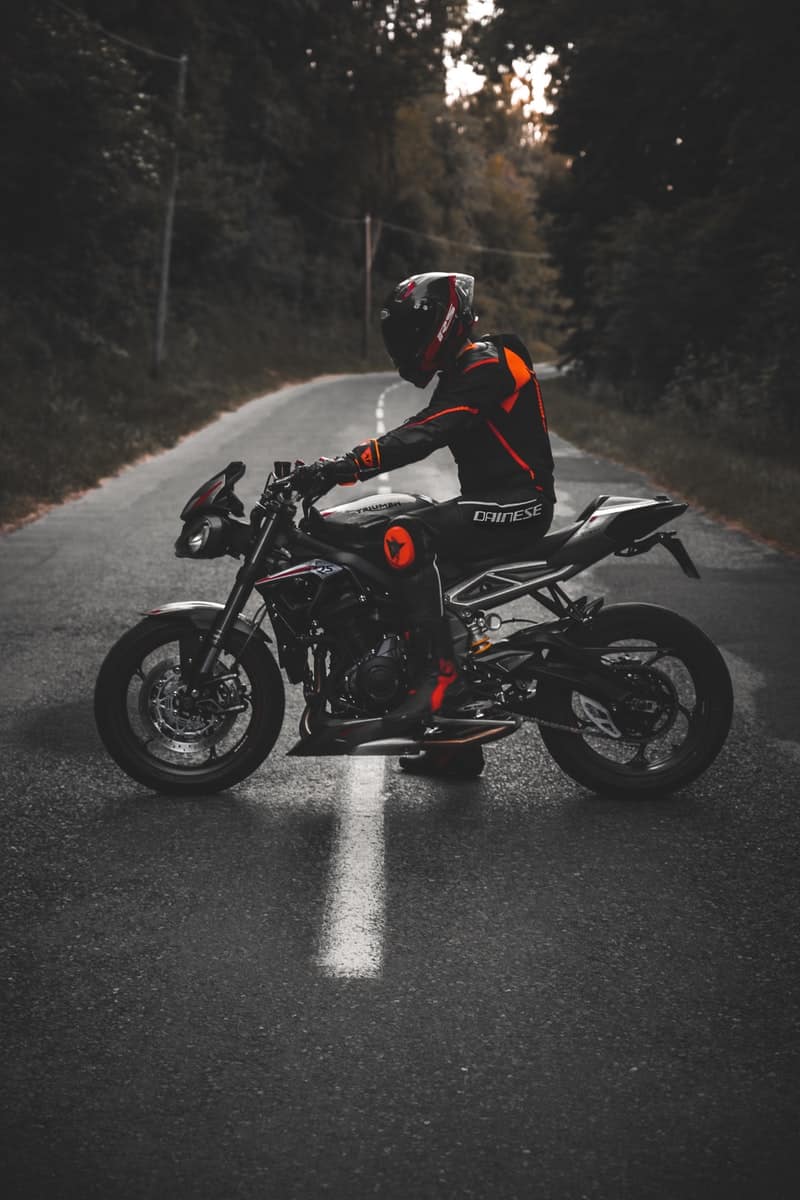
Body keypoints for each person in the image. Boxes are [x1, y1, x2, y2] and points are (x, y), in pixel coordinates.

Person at [296, 271, 556, 778]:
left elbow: (425, 432)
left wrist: (342, 466)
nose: (405, 347)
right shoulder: (466, 366)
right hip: (489, 502)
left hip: (521, 503)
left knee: (407, 535)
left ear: (439, 323)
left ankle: (442, 681)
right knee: (395, 539)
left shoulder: (488, 364)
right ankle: (453, 744)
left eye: (411, 334)